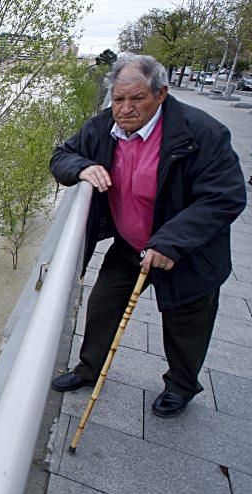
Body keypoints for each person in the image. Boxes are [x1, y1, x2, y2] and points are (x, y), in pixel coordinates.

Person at [49, 54, 247, 417]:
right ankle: (88, 369)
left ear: (161, 94)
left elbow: (225, 197)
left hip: (187, 252)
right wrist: (84, 166)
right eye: (119, 99)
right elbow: (61, 155)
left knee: (186, 324)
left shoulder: (201, 133)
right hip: (130, 246)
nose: (125, 109)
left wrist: (171, 241)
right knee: (104, 305)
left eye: (136, 98)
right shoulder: (103, 127)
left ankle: (181, 386)